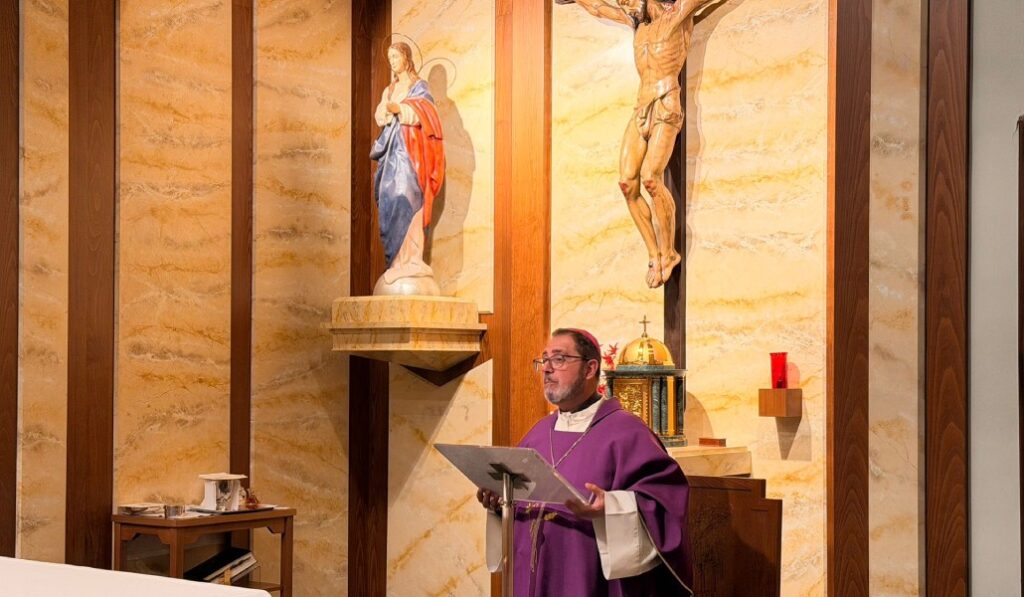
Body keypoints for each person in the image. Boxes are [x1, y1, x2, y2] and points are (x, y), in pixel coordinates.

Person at [477, 328, 694, 596]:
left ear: (590, 368)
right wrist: (500, 503)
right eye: (543, 360)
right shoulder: (538, 433)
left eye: (558, 359)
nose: (546, 369)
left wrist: (613, 509)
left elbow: (665, 504)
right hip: (536, 575)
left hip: (587, 581)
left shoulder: (627, 433)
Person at [555, 0, 721, 288]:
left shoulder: (676, 16)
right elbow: (598, 9)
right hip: (641, 107)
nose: (626, 5)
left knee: (651, 179)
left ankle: (669, 253)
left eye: (629, 0)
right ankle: (653, 253)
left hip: (666, 104)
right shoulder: (637, 24)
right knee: (626, 183)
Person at [370, 41, 445, 295]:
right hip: (391, 154)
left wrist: (400, 108)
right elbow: (380, 115)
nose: (392, 61)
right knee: (391, 199)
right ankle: (396, 261)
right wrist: (387, 110)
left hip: (411, 155)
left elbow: (428, 117)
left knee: (409, 197)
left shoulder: (419, 87)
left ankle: (412, 260)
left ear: (406, 58)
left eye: (396, 57)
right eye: (389, 57)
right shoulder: (390, 89)